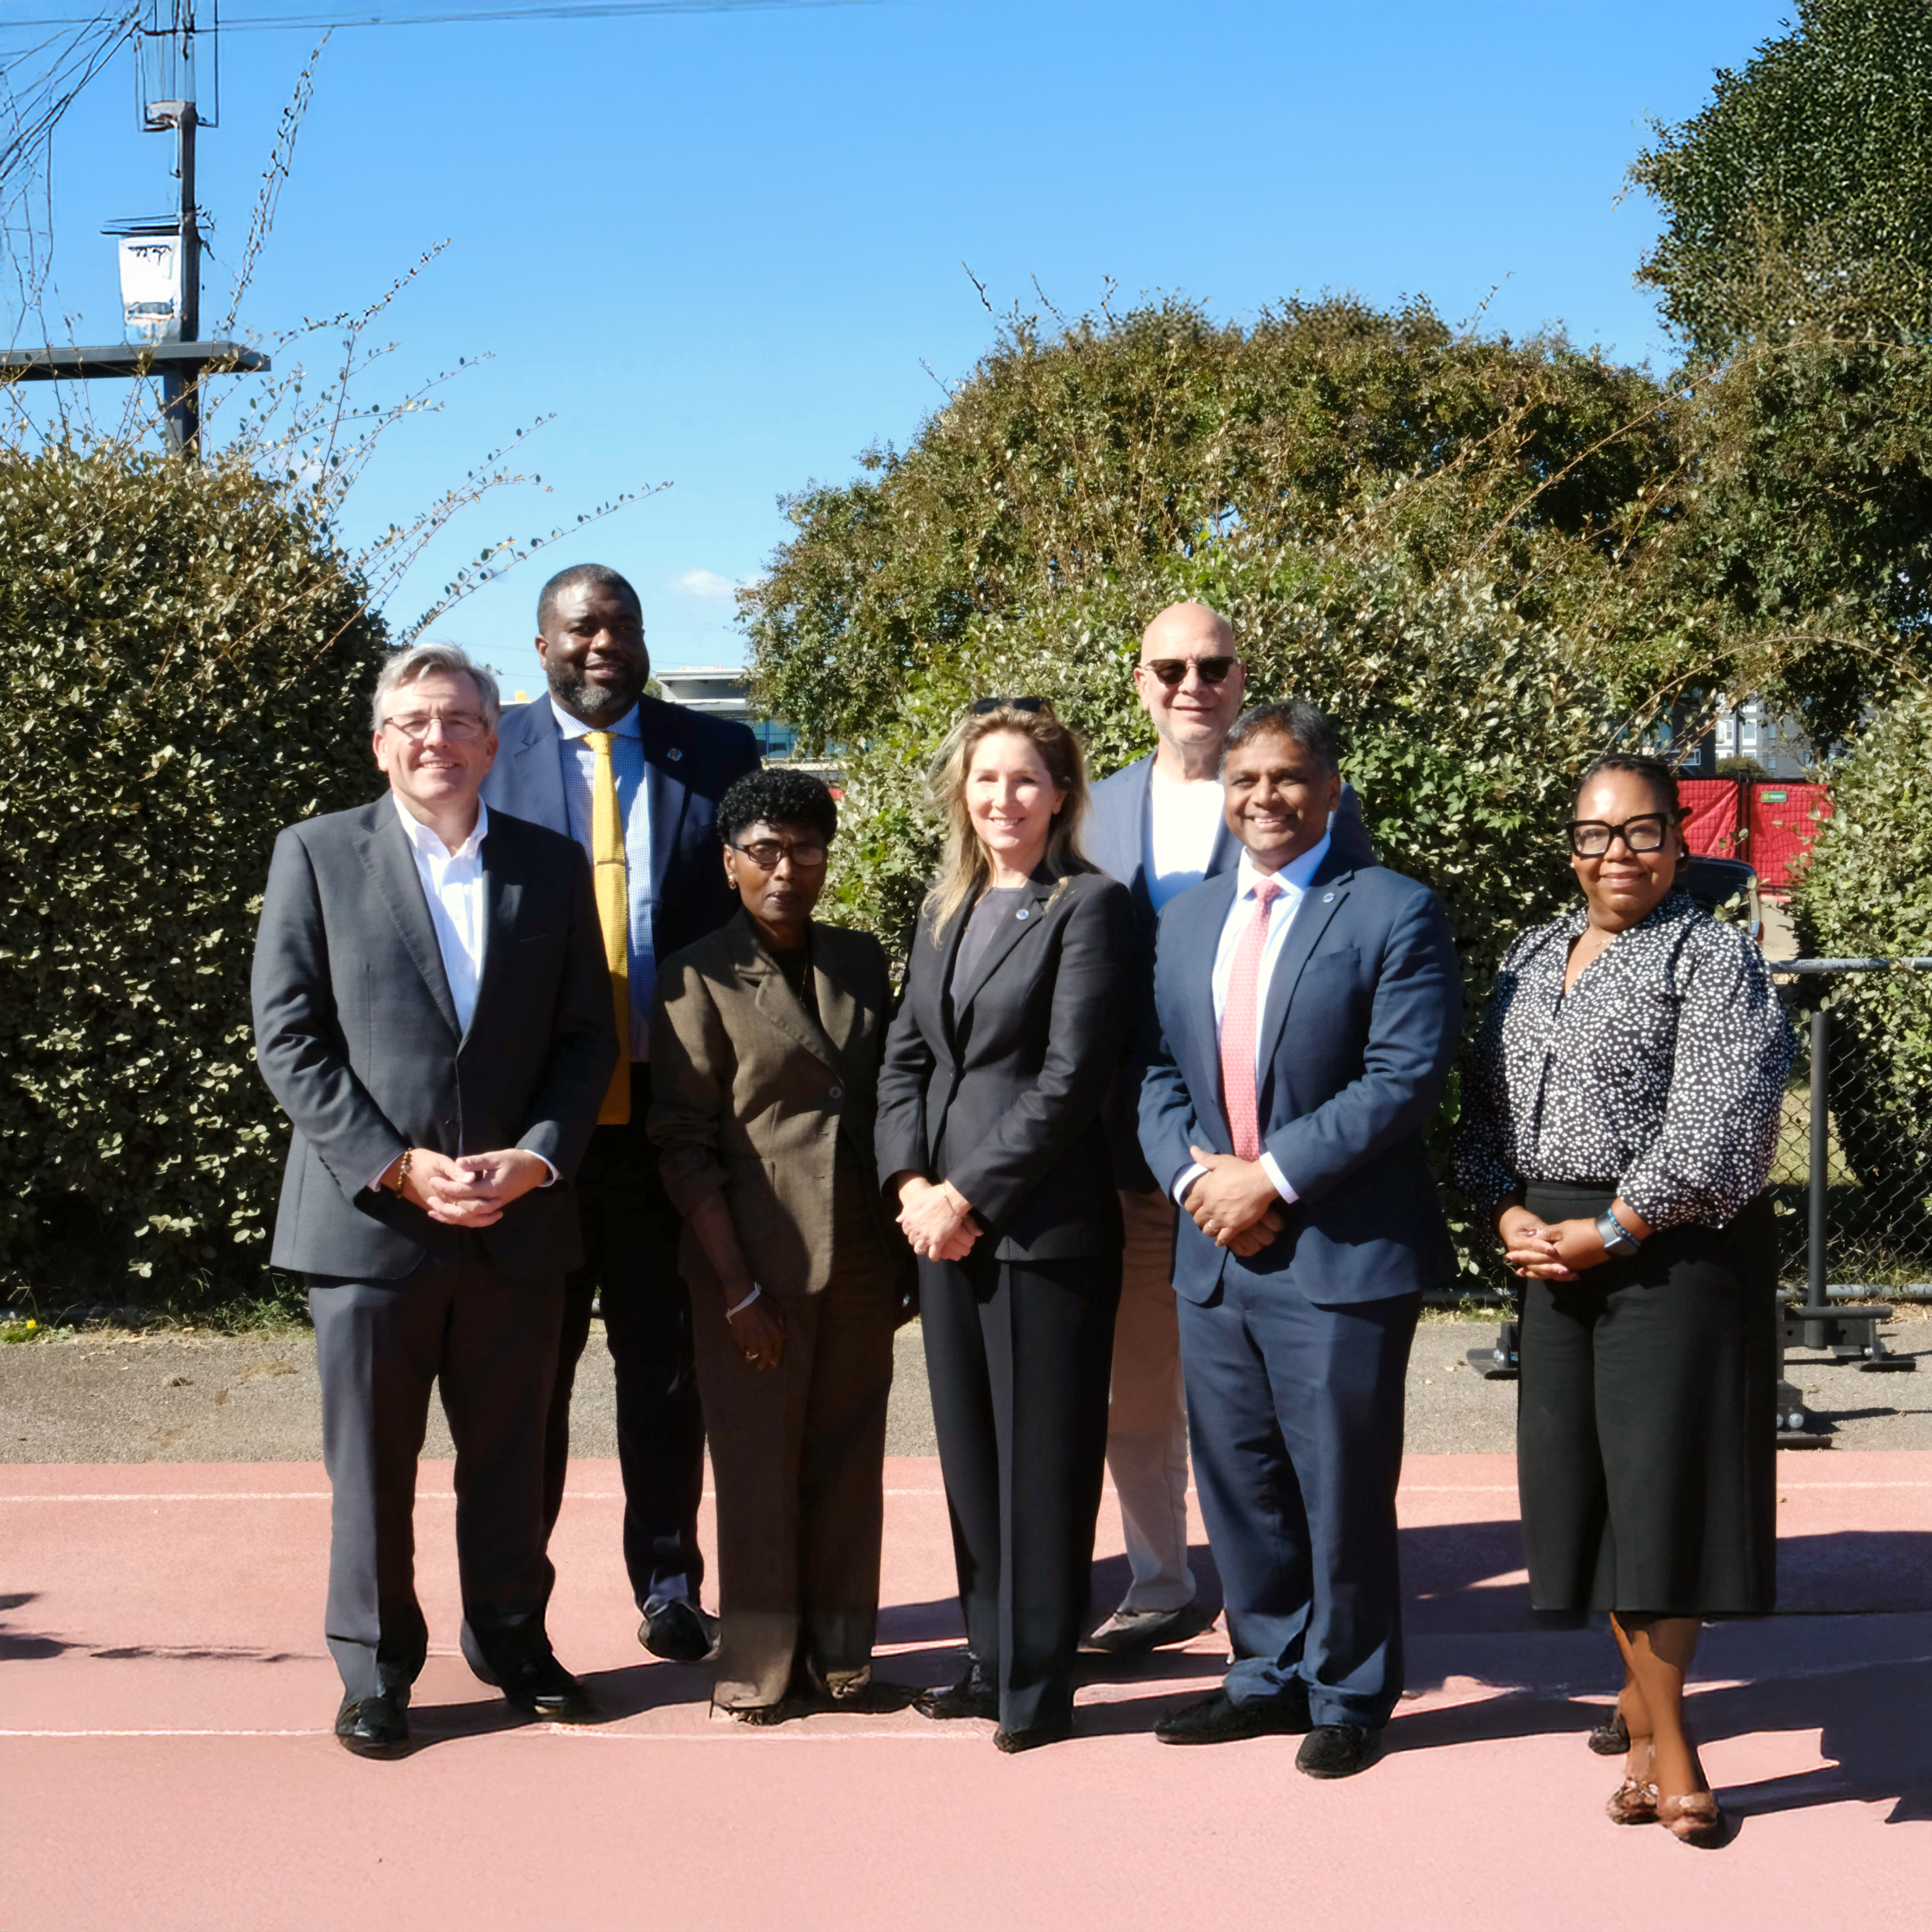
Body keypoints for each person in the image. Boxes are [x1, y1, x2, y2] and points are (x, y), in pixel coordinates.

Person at [251, 641, 616, 1756]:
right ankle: (375, 1668)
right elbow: (290, 1035)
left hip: (517, 1224)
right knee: (369, 1470)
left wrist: (540, 1158)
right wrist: (397, 1164)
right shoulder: (315, 854)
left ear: (493, 742)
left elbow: (585, 1037)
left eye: (459, 720)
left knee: (515, 1458)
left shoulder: (551, 869)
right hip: (369, 1229)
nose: (436, 739)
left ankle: (510, 1637)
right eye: (413, 721)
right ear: (380, 742)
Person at [1453, 752, 1793, 1849]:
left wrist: (1617, 1227)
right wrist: (1502, 1209)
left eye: (1641, 833)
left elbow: (1723, 1121)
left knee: (1661, 1503)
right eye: (1595, 835)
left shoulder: (1711, 955)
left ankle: (1669, 1743)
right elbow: (1485, 1105)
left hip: (1669, 1253)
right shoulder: (1531, 952)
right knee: (1586, 1494)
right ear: (1570, 847)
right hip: (1549, 1250)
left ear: (1677, 842)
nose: (1617, 855)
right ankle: (1644, 1716)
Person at [1138, 699, 1460, 1779]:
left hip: (1340, 1256)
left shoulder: (1392, 910)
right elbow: (1156, 1074)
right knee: (1240, 1482)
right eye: (1244, 782)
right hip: (1216, 1254)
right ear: (1221, 796)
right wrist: (1195, 1178)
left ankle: (1352, 1691)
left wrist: (1268, 1178)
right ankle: (1264, 1676)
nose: (1264, 799)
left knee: (1342, 1485)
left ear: (1329, 788)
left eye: (1286, 778)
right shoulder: (1184, 918)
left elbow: (1402, 1077)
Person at [481, 564, 760, 1663]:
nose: (604, 646)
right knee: (530, 1376)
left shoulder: (719, 756)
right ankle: (513, 1598)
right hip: (538, 1127)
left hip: (669, 1117)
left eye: (622, 627)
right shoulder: (490, 752)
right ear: (541, 643)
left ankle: (669, 1582)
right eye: (581, 629)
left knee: (665, 1365)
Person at [1085, 602, 1375, 1655]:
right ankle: (1162, 1583)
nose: (1190, 684)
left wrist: (1276, 1164)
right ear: (1140, 679)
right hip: (1138, 1152)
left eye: (1211, 666)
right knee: (1140, 1390)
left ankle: (1298, 1613)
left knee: (1273, 1408)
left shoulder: (1307, 801)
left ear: (1241, 677)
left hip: (1279, 1172)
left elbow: (1354, 961)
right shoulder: (1094, 807)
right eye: (1170, 666)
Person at [876, 699, 1134, 1752]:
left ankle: (1039, 1681)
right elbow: (904, 1057)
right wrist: (908, 1188)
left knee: (1044, 1464)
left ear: (1061, 794)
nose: (1003, 799)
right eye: (986, 780)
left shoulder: (1091, 908)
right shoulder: (945, 909)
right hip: (940, 1231)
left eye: (1025, 779)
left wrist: (965, 1195)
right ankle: (988, 1659)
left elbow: (1071, 1081)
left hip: (1038, 1233)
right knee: (973, 1457)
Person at [648, 768, 914, 1723]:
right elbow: (681, 1143)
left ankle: (843, 1656)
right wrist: (734, 1284)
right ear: (729, 863)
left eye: (805, 849)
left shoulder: (861, 958)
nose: (785, 868)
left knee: (847, 1463)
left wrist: (902, 1251)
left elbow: (888, 1097)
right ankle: (758, 1664)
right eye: (763, 850)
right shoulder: (694, 973)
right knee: (757, 1465)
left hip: (860, 1260)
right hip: (750, 1263)